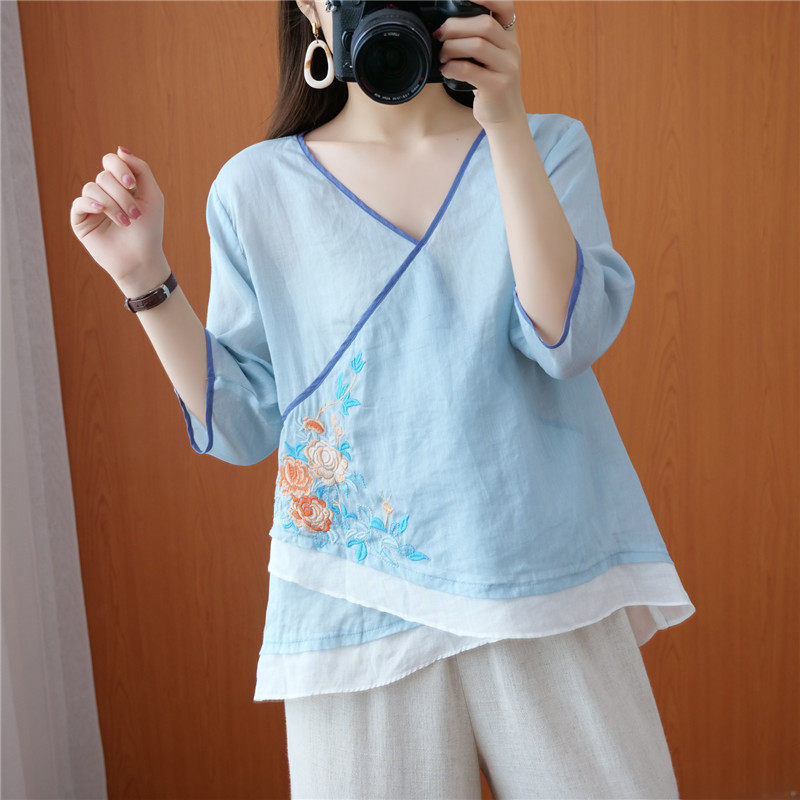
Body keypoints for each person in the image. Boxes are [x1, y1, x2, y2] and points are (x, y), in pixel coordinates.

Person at [70, 0, 695, 797]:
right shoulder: (256, 188)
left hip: (542, 579)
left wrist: (505, 122)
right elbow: (243, 424)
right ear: (309, 8)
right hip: (350, 601)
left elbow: (567, 337)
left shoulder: (546, 144)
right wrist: (143, 278)